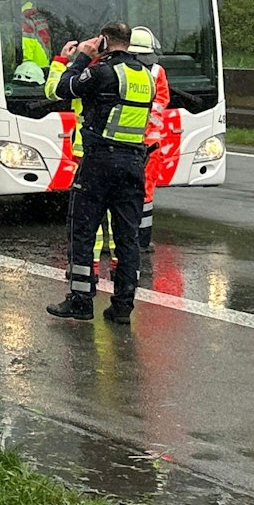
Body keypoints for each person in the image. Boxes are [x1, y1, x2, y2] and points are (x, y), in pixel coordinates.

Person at [45, 21, 155, 324]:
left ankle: (80, 300)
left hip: (99, 162)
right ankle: (123, 306)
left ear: (104, 41)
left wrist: (81, 56)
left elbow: (61, 89)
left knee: (82, 230)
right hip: (134, 163)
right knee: (127, 237)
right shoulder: (146, 76)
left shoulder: (102, 71)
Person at [130, 26, 176, 251]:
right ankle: (142, 240)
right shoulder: (158, 71)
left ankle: (125, 238)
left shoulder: (122, 69)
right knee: (146, 192)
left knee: (122, 192)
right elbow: (162, 101)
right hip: (150, 144)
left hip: (126, 142)